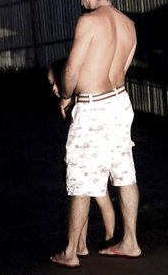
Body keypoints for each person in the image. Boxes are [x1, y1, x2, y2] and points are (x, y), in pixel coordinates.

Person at [50, 0, 141, 268]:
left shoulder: (88, 21)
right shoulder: (128, 24)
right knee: (125, 174)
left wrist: (65, 96)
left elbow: (72, 70)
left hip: (93, 107)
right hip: (120, 103)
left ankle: (71, 252)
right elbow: (122, 68)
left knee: (81, 178)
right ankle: (130, 242)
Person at [47, 58, 116, 256]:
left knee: (89, 200)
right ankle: (85, 244)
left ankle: (103, 240)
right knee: (91, 201)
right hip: (94, 155)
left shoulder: (77, 101)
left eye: (54, 83)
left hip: (87, 158)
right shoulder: (78, 100)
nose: (52, 88)